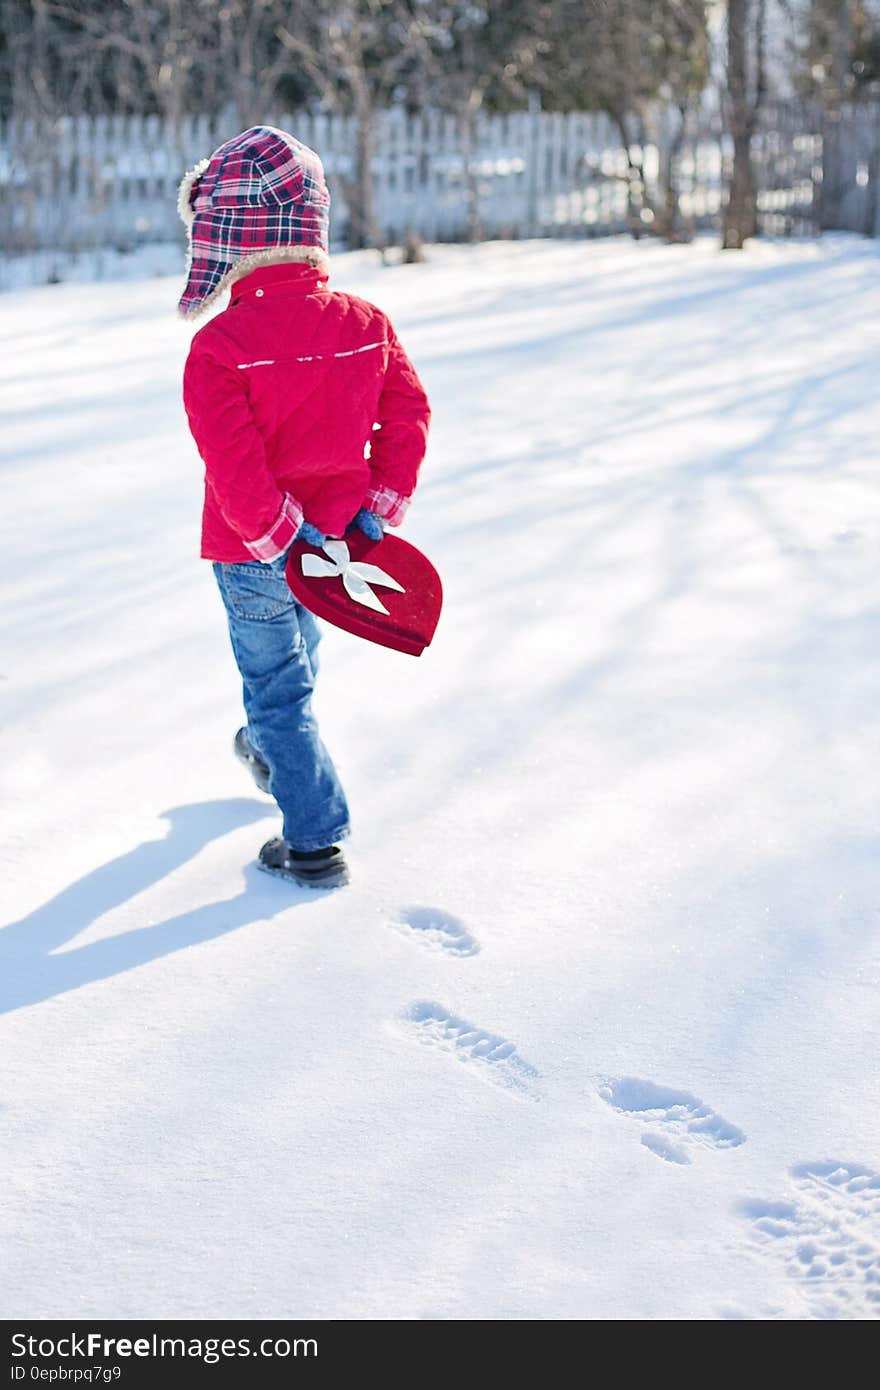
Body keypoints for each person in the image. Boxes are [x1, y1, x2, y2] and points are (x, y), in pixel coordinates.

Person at [179, 126, 430, 889]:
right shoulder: (364, 323)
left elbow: (234, 464)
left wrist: (273, 533)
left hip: (254, 550)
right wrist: (376, 502)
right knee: (295, 663)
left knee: (277, 684)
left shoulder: (220, 346)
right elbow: (408, 413)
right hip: (333, 546)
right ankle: (271, 747)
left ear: (228, 239)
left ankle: (313, 837)